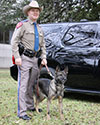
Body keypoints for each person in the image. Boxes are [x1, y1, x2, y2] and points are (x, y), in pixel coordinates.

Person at [11, 0, 47, 120]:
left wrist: (44, 58)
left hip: (35, 59)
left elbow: (43, 46)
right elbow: (14, 41)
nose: (35, 13)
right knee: (23, 85)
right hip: (25, 58)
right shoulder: (23, 25)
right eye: (33, 10)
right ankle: (21, 112)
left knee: (31, 84)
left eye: (37, 11)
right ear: (28, 12)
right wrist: (17, 57)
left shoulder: (40, 28)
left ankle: (30, 106)